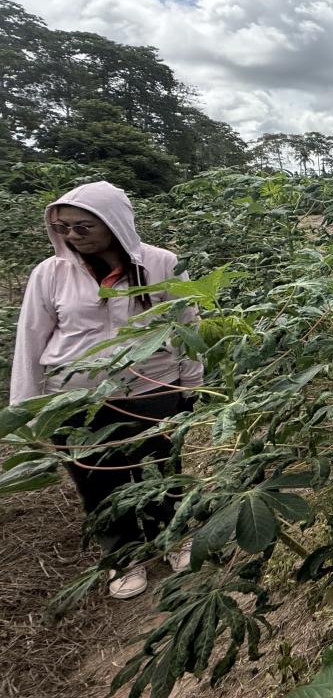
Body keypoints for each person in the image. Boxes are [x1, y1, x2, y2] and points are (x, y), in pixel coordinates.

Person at [10, 181, 203, 600]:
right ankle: (122, 555)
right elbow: (31, 338)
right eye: (63, 228)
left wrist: (192, 385)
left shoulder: (163, 263)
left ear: (115, 223)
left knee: (163, 469)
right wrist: (27, 408)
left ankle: (174, 535)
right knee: (96, 482)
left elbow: (186, 323)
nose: (72, 236)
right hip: (78, 400)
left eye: (83, 227)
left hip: (152, 388)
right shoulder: (50, 272)